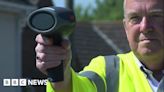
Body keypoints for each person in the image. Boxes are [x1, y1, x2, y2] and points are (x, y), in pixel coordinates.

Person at [35, 0, 164, 91]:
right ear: (125, 27)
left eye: (156, 16)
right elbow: (78, 88)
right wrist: (61, 73)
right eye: (135, 18)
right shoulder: (108, 70)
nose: (145, 27)